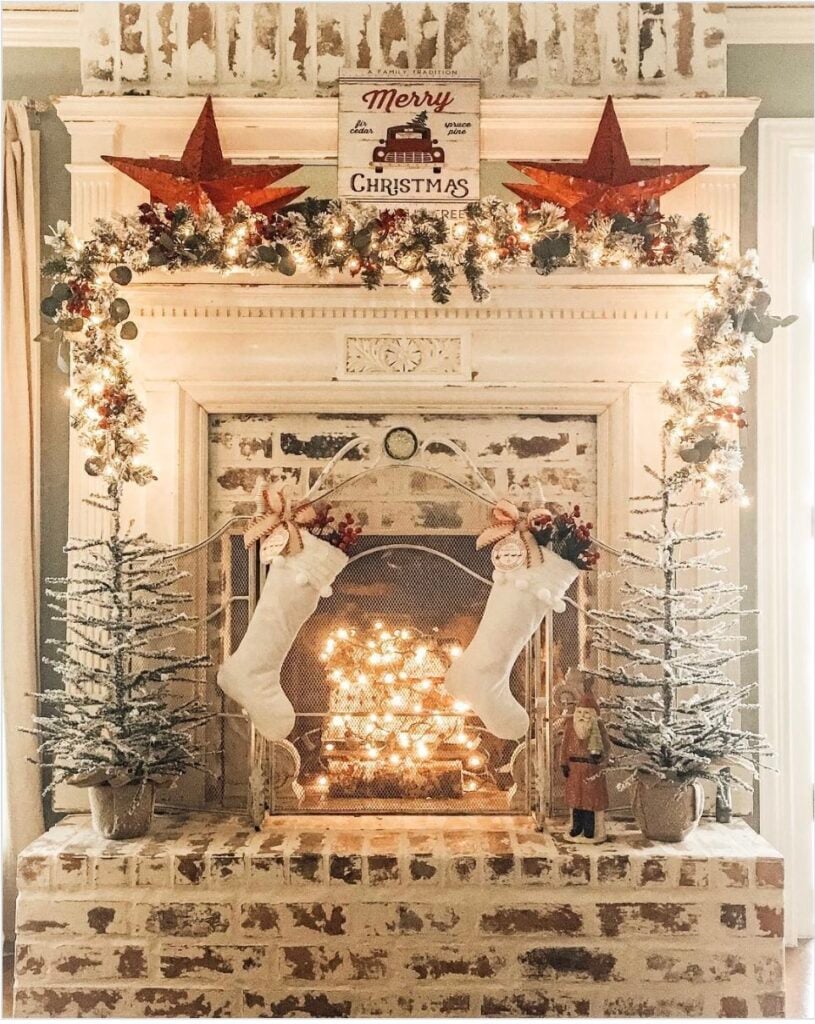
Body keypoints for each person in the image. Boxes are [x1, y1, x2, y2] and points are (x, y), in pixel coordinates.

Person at [559, 690, 609, 843]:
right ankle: (576, 827)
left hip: (591, 769)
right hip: (574, 769)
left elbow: (606, 746)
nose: (581, 716)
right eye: (579, 712)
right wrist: (563, 763)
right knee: (576, 800)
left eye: (586, 713)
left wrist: (601, 759)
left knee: (590, 801)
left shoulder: (598, 727)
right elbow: (564, 744)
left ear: (593, 714)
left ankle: (590, 829)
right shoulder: (570, 725)